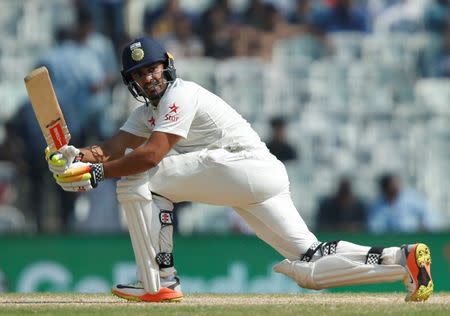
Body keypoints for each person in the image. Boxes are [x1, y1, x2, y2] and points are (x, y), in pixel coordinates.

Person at [45, 37, 433, 302]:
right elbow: (113, 148)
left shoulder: (181, 94)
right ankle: (404, 260)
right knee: (310, 265)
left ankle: (160, 280)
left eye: (152, 69)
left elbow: (148, 156)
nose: (148, 78)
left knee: (141, 177)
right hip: (257, 175)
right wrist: (77, 156)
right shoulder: (145, 112)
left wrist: (97, 175)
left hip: (242, 165)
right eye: (139, 75)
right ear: (132, 83)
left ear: (167, 66)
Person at [369, 173, 440, 233]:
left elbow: (429, 215)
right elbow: (375, 226)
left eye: (396, 184)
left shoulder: (412, 198)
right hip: (391, 242)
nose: (395, 187)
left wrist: (425, 228)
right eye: (392, 185)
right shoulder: (378, 205)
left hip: (414, 238)